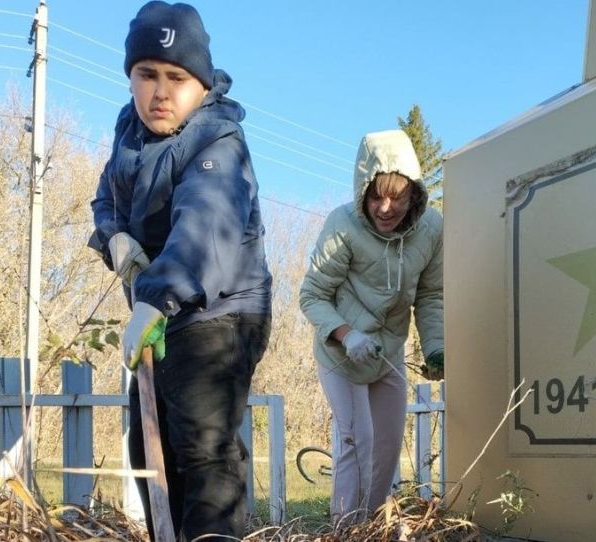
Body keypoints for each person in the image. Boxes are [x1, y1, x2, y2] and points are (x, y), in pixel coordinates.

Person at [88, 2, 272, 540]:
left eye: (177, 77)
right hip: (161, 309)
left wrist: (155, 296)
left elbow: (206, 228)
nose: (160, 92)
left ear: (202, 83)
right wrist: (114, 237)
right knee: (150, 447)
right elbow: (107, 198)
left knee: (203, 448)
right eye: (146, 75)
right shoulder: (131, 130)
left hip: (220, 311)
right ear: (130, 78)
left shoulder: (218, 141)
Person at [299, 129, 444, 523]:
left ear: (414, 192)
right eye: (376, 194)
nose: (385, 207)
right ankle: (344, 528)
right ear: (362, 189)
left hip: (389, 353)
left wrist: (435, 347)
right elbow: (311, 295)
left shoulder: (432, 230)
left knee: (386, 448)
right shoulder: (342, 225)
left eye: (397, 196)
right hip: (340, 352)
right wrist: (347, 335)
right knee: (357, 442)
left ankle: (372, 527)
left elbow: (431, 295)